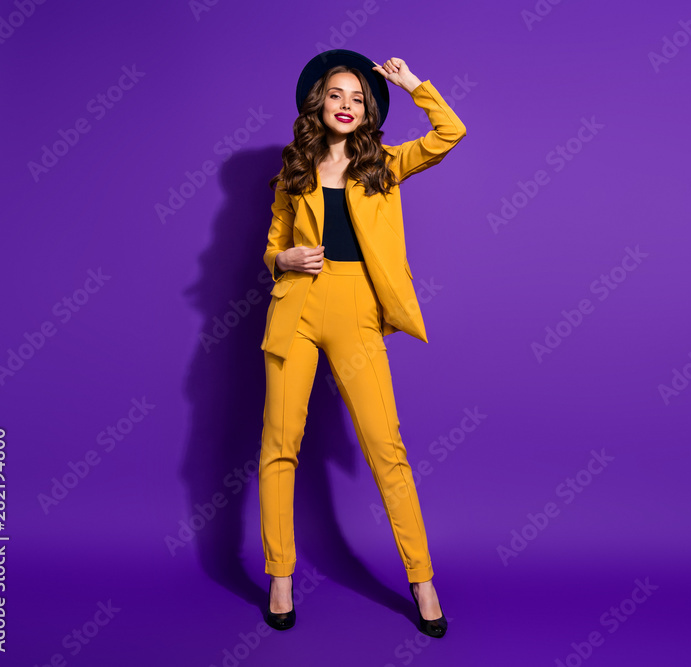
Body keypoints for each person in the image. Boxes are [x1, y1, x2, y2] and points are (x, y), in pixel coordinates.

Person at [257, 49, 466, 636]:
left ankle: (422, 581)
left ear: (369, 111)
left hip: (358, 308)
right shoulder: (294, 169)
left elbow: (450, 133)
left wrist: (414, 84)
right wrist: (283, 260)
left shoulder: (385, 165)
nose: (346, 105)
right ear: (318, 104)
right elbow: (274, 243)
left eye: (358, 98)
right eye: (336, 95)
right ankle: (280, 576)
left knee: (385, 448)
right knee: (279, 444)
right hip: (296, 305)